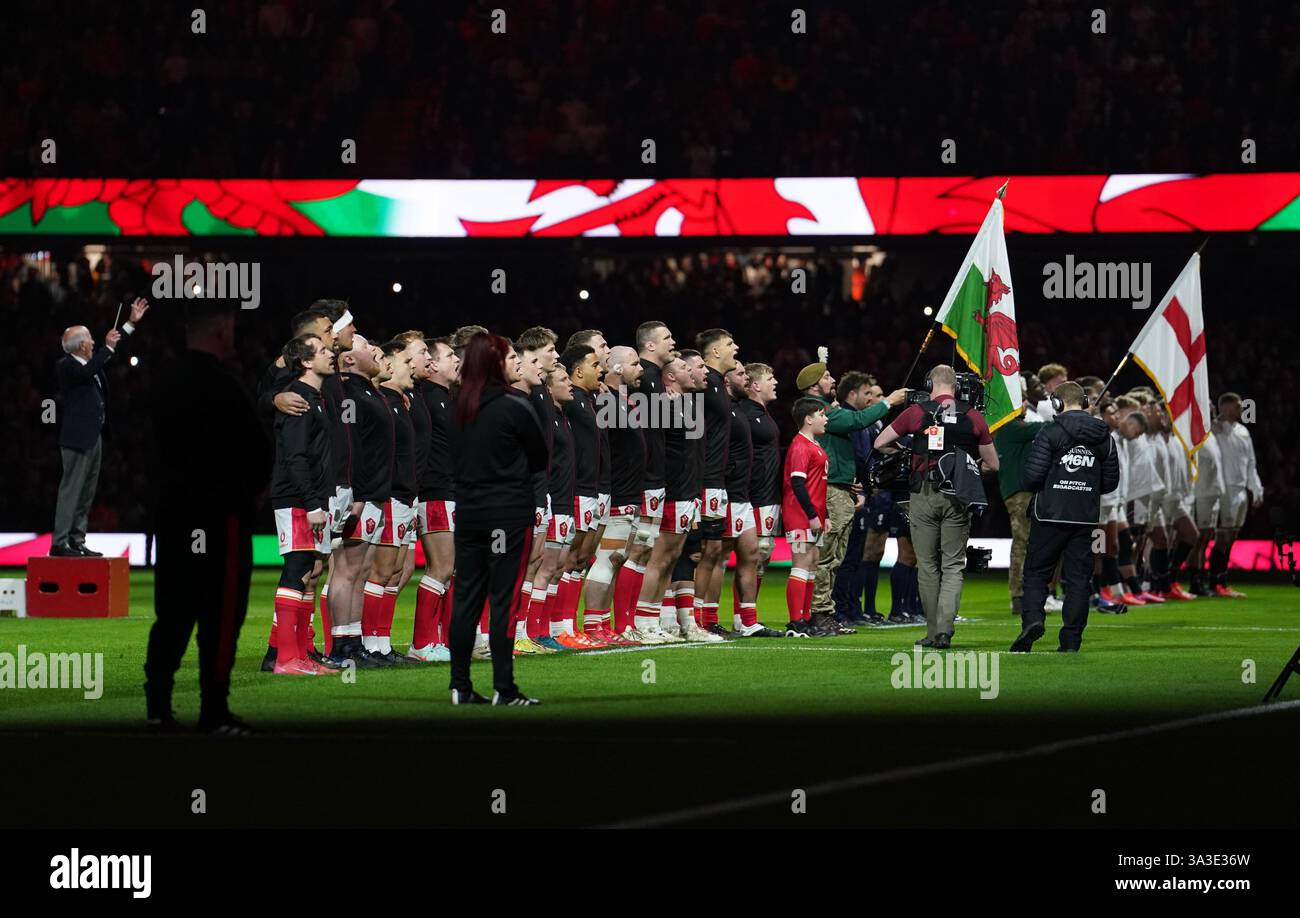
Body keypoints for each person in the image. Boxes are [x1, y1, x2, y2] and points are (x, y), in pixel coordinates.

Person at [144, 302, 267, 734]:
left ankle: (158, 705)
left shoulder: (163, 382)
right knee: (220, 614)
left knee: (173, 611)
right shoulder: (225, 385)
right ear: (220, 330)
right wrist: (249, 495)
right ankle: (214, 709)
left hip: (173, 513)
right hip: (220, 516)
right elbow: (257, 449)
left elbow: (146, 448)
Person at [447, 334, 548, 705]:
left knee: (465, 601)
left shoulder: (457, 408)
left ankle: (460, 686)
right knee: (504, 601)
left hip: (469, 514)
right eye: (509, 357)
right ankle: (504, 688)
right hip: (507, 514)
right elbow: (540, 458)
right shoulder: (515, 405)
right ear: (496, 363)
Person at [873, 364, 999, 649]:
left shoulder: (917, 412)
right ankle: (944, 630)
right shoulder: (973, 415)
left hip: (924, 492)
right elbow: (993, 464)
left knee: (927, 565)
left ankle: (932, 632)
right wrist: (970, 468)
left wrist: (909, 453)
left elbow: (880, 442)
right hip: (957, 495)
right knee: (953, 565)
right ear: (957, 386)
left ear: (930, 384)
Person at [797, 360, 905, 636]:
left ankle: (828, 613)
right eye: (826, 377)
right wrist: (889, 402)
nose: (832, 380)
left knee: (836, 557)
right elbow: (856, 421)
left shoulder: (827, 409)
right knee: (828, 556)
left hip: (841, 487)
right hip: (830, 490)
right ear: (814, 386)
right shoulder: (818, 411)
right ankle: (819, 613)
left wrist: (849, 483)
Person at [1011, 382, 1120, 653]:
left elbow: (1032, 477)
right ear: (1084, 402)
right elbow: (1110, 483)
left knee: (1036, 573)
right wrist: (1084, 487)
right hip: (1085, 518)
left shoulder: (1049, 431)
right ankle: (1071, 640)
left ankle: (1033, 620)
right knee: (1079, 580)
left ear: (1057, 404)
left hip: (1049, 515)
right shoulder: (1104, 436)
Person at [51, 297, 149, 556]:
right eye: (91, 340)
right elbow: (92, 367)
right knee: (72, 489)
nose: (94, 342)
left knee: (86, 491)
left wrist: (129, 324)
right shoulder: (67, 365)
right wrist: (107, 348)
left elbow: (108, 353)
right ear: (82, 345)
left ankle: (77, 540)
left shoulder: (91, 363)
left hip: (93, 437)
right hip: (77, 438)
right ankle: (60, 542)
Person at [267, 333, 339, 675]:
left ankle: (300, 655)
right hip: (296, 497)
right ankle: (285, 658)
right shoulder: (297, 398)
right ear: (306, 361)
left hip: (309, 497)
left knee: (308, 571)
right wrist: (311, 502)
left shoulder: (315, 397)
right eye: (322, 350)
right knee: (296, 570)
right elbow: (294, 457)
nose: (330, 353)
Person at [692, 328, 741, 635]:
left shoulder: (717, 384)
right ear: (715, 352)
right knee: (702, 551)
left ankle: (704, 618)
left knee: (713, 550)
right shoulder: (705, 384)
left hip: (716, 480)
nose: (736, 348)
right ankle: (692, 618)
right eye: (730, 343)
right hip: (705, 479)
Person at [993, 372, 1046, 615]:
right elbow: (1046, 427)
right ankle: (1019, 595)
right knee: (1023, 543)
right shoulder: (1010, 427)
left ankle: (1027, 594)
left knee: (1027, 543)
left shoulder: (1014, 427)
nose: (1025, 404)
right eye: (1020, 401)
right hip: (1020, 494)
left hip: (1024, 492)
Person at [782, 398, 830, 635]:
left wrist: (825, 514)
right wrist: (811, 514)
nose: (826, 419)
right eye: (822, 414)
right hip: (800, 514)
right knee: (801, 564)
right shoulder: (800, 445)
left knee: (811, 563)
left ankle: (806, 617)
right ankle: (796, 621)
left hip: (814, 514)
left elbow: (817, 485)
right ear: (808, 419)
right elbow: (798, 483)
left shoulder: (814, 444)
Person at [1209, 392, 1263, 597]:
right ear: (1225, 407)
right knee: (1223, 536)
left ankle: (1221, 581)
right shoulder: (1214, 429)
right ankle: (1214, 582)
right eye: (1237, 406)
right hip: (1225, 489)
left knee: (1231, 536)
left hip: (1241, 490)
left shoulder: (1243, 431)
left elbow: (1250, 463)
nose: (1242, 409)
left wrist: (1256, 489)